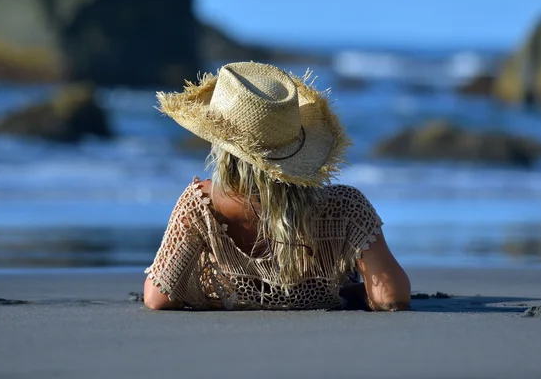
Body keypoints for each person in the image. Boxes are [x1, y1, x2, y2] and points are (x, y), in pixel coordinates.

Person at [144, 61, 410, 311]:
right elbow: (391, 296)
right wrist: (349, 294)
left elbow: (158, 296)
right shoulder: (344, 208)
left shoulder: (203, 204)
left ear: (223, 150)